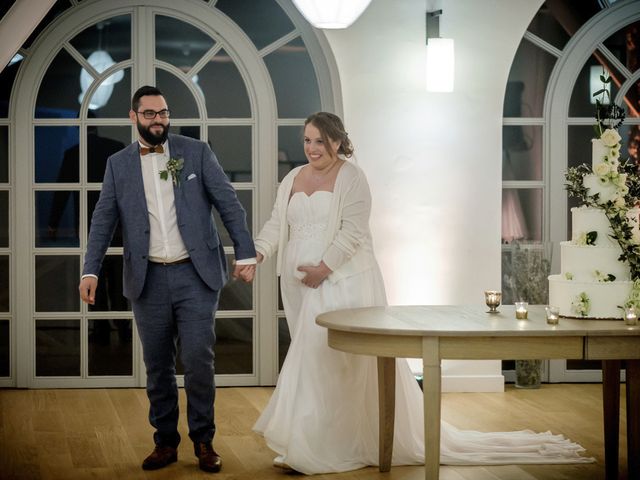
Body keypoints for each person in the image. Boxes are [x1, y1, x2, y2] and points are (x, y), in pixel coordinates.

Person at [252, 112, 593, 474]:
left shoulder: (352, 177)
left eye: (320, 140)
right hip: (299, 286)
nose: (312, 148)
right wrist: (257, 253)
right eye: (307, 140)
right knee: (316, 359)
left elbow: (352, 232)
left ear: (336, 141)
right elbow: (277, 223)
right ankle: (318, 439)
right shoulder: (292, 177)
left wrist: (324, 269)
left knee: (328, 361)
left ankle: (318, 446)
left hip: (342, 281)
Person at [79, 85, 256, 473]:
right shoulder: (118, 164)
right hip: (148, 280)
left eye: (163, 113)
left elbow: (228, 202)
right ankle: (165, 443)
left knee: (198, 361)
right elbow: (103, 220)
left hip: (195, 275)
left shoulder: (196, 151)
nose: (158, 120)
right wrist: (90, 268)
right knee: (158, 367)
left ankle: (204, 442)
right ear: (133, 117)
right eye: (149, 114)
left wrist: (245, 251)